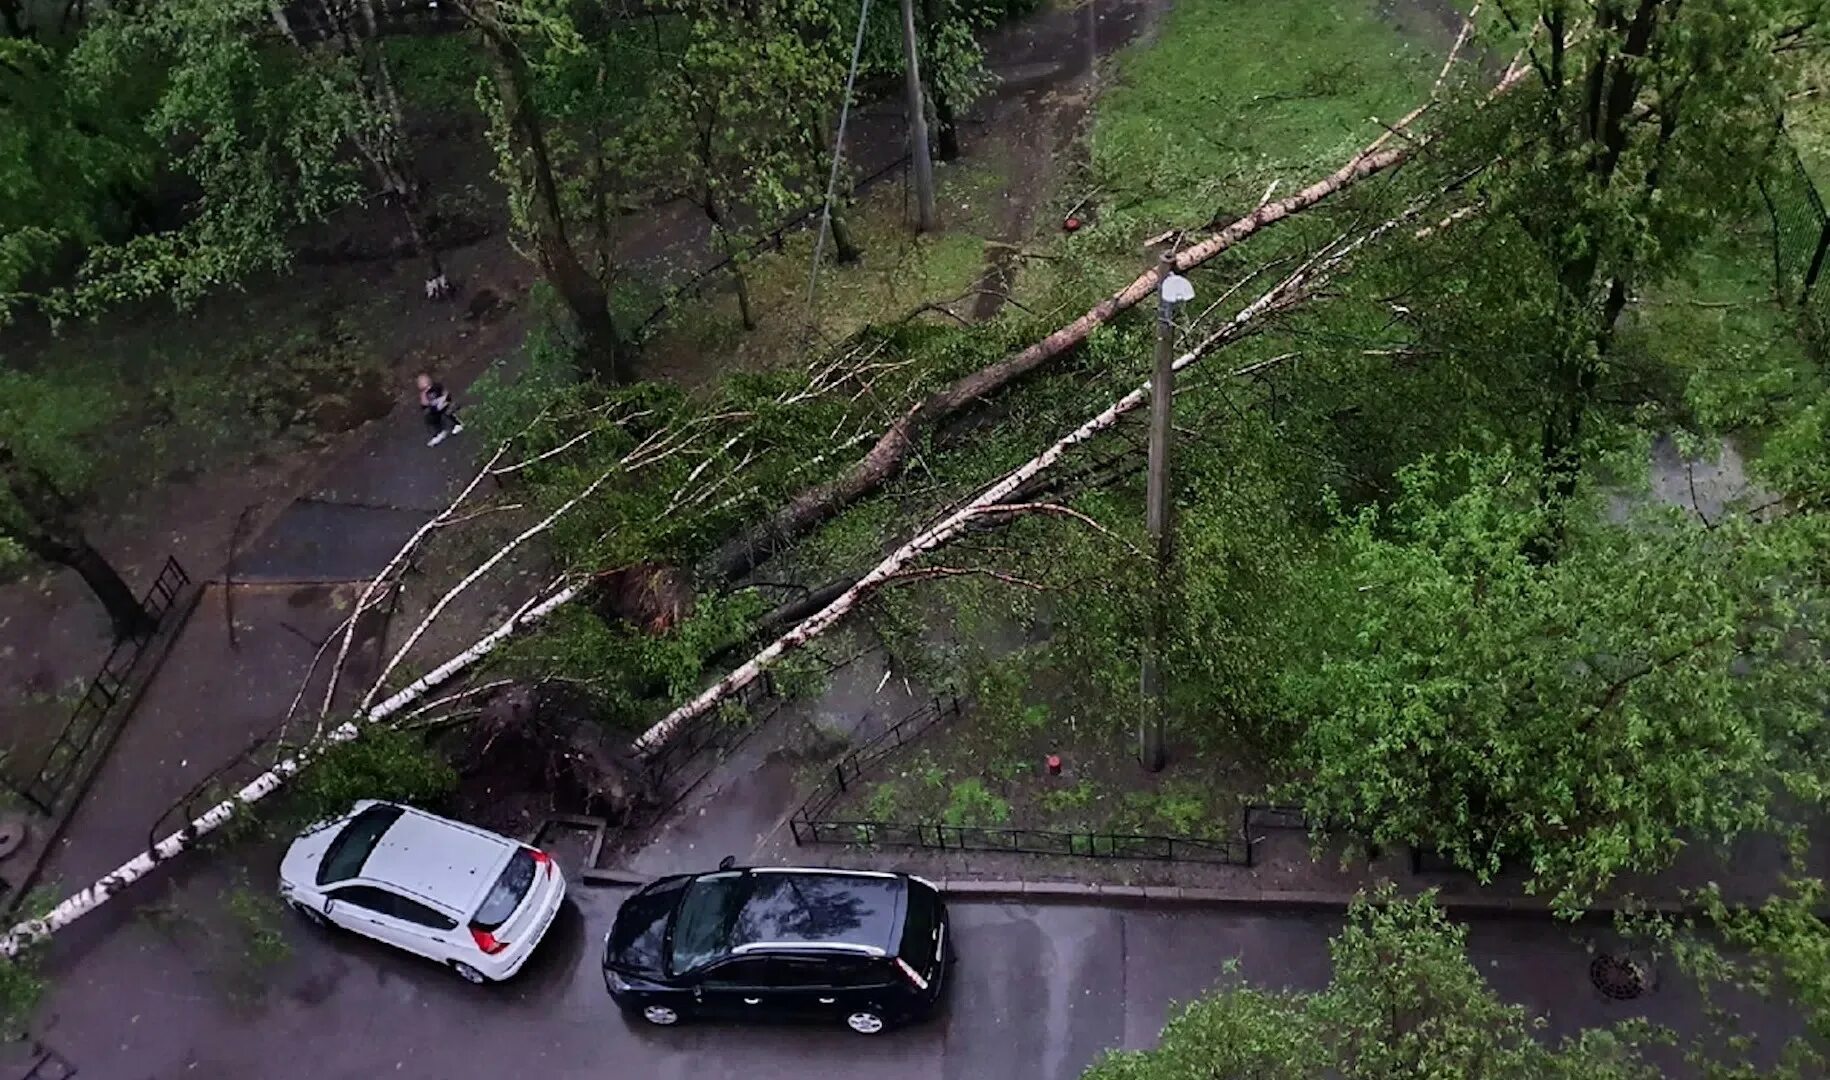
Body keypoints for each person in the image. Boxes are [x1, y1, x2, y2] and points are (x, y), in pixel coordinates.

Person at [417, 372, 464, 446]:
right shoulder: (424, 394)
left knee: (448, 410)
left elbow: (447, 394)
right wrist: (423, 395)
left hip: (445, 404)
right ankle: (439, 432)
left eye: (423, 380)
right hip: (436, 409)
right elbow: (424, 405)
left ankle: (458, 423)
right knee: (428, 416)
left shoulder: (436, 386)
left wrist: (443, 401)